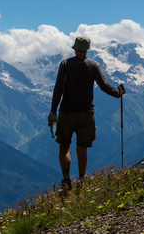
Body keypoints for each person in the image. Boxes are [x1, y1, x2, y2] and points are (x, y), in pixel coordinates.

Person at [48, 36, 126, 189]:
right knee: (82, 149)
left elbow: (58, 89)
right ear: (87, 50)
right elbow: (104, 85)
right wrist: (118, 93)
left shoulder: (65, 64)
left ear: (75, 48)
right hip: (86, 113)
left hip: (67, 112)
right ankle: (82, 180)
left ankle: (66, 179)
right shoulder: (94, 65)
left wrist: (53, 112)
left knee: (64, 147)